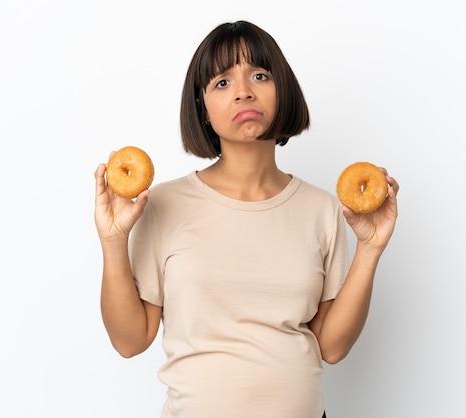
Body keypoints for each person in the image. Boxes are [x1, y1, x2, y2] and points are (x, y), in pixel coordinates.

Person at [94, 20, 399, 418]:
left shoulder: (322, 208)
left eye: (259, 75)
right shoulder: (163, 203)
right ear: (202, 108)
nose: (243, 91)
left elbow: (332, 347)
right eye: (222, 82)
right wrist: (113, 239)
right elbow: (129, 341)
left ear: (282, 91)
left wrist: (371, 248)